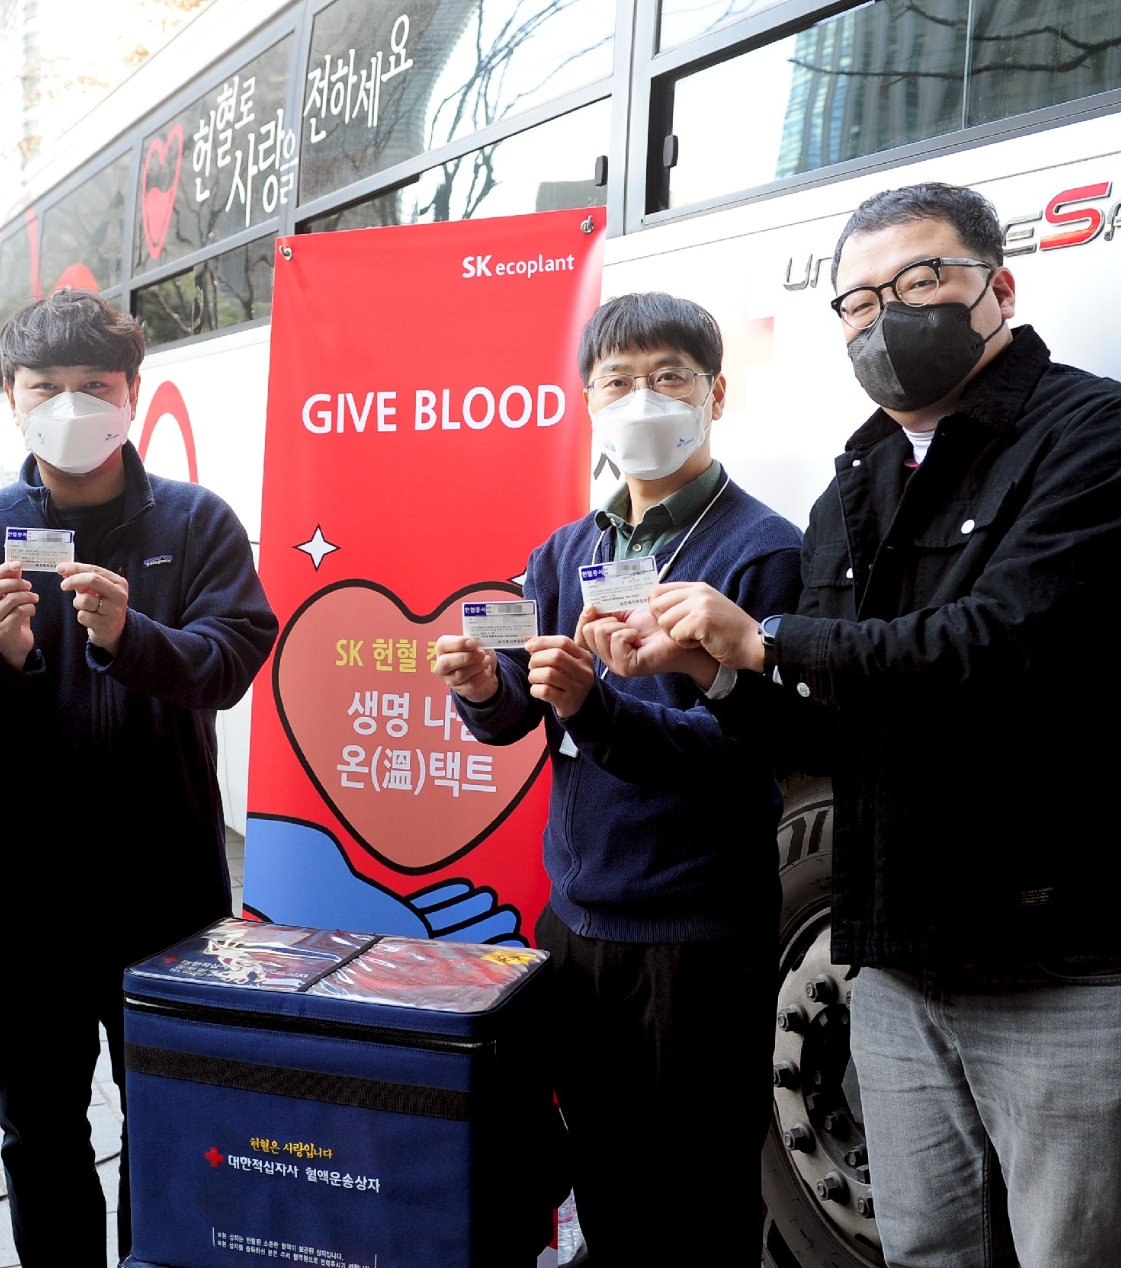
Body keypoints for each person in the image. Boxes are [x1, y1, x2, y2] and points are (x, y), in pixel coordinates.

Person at [588, 183, 1121, 1267]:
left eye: (921, 280)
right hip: (894, 964)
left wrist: (764, 639)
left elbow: (998, 646)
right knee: (923, 1252)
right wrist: (718, 673)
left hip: (1068, 967)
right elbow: (831, 721)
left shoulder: (1100, 436)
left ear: (996, 287)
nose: (886, 316)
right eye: (858, 300)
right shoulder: (859, 478)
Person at [0, 288, 277, 1267]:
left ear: (133, 393)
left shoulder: (197, 521)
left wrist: (129, 634)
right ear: (11, 400)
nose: (71, 406)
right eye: (46, 387)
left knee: (173, 1125)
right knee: (40, 1133)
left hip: (169, 894)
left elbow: (235, 656)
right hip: (23, 897)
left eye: (94, 386)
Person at [432, 292, 801, 1264]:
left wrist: (596, 708)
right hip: (579, 920)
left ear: (715, 393)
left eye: (669, 377)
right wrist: (479, 685)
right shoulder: (564, 550)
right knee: (599, 1174)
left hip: (697, 933)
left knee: (697, 1191)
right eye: (618, 382)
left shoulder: (761, 553)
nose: (643, 401)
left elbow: (741, 755)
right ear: (588, 403)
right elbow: (516, 707)